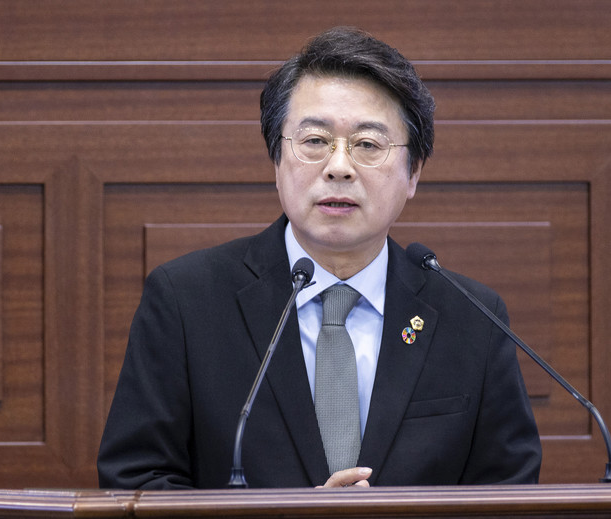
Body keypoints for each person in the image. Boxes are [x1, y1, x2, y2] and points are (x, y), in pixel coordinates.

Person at [97, 26, 541, 490]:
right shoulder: (187, 301)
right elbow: (135, 481)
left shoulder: (474, 318)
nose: (339, 166)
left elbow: (510, 492)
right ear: (277, 160)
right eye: (314, 141)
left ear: (413, 173)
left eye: (368, 145)